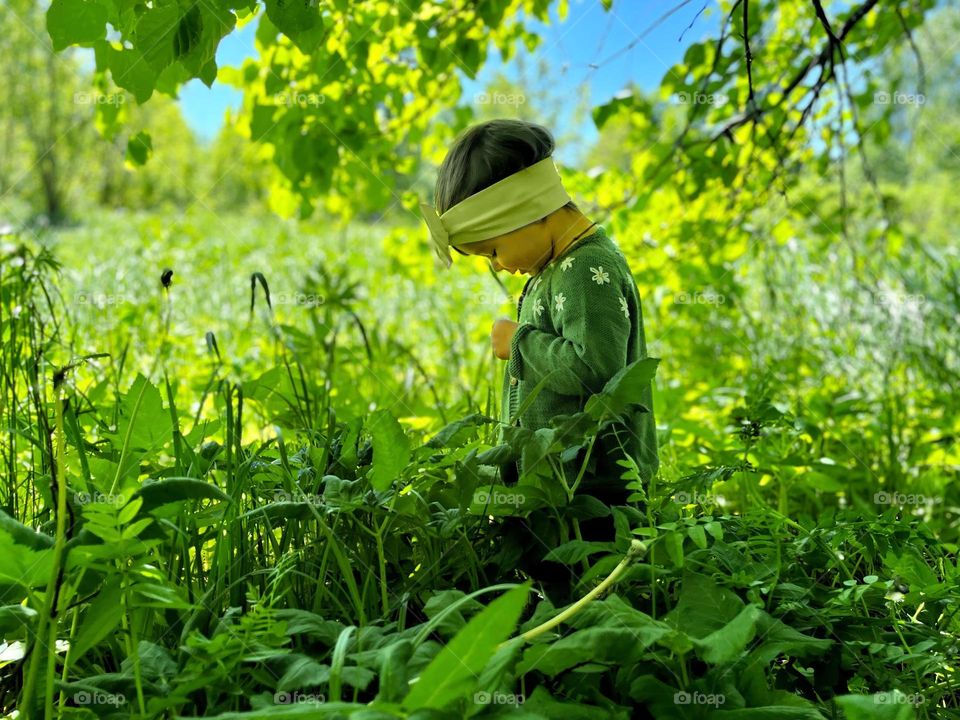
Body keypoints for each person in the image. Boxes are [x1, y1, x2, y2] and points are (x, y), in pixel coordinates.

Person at [420, 119, 659, 606]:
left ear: (527, 212)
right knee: (555, 592)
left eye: (493, 249)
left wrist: (519, 341)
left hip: (594, 491)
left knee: (592, 598)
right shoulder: (556, 268)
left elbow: (595, 370)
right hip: (559, 487)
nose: (498, 265)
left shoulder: (583, 274)